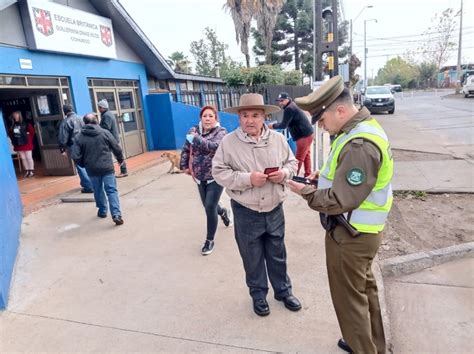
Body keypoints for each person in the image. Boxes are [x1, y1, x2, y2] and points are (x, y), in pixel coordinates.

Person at [288, 75, 393, 354]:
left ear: (341, 111)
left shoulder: (359, 144)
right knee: (364, 293)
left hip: (350, 234)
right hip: (360, 232)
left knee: (350, 300)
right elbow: (344, 176)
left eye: (322, 120)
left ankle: (363, 347)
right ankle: (372, 345)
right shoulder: (359, 130)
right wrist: (319, 177)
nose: (321, 127)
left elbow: (340, 199)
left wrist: (304, 192)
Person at [212, 93, 301, 317]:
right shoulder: (228, 142)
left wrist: (284, 173)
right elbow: (219, 172)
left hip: (274, 208)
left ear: (264, 116)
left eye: (255, 115)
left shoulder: (278, 140)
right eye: (245, 115)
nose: (250, 120)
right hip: (246, 210)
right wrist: (247, 179)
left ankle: (283, 291)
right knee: (251, 256)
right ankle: (258, 295)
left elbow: (293, 162)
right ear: (239, 117)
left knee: (277, 252)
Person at [180, 105, 231, 255]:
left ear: (216, 118)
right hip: (199, 175)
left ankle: (209, 240)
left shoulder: (221, 132)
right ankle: (222, 212)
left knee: (209, 207)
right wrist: (184, 165)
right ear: (200, 118)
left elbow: (214, 146)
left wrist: (195, 139)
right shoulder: (193, 130)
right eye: (204, 116)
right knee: (210, 206)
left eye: (210, 116)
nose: (207, 119)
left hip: (216, 175)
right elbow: (186, 149)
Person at [72, 113, 125, 226]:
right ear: (96, 121)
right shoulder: (105, 133)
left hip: (91, 169)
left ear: (84, 123)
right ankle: (116, 214)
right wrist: (120, 160)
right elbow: (116, 147)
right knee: (111, 190)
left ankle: (102, 211)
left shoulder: (79, 137)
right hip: (107, 167)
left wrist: (84, 164)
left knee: (98, 190)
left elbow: (75, 155)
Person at [268, 92, 314, 177]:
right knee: (306, 155)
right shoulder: (292, 105)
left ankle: (294, 176)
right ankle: (308, 174)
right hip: (308, 134)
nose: (280, 103)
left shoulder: (289, 109)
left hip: (303, 136)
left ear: (288, 99)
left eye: (282, 101)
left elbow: (283, 125)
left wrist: (272, 126)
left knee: (299, 158)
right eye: (279, 101)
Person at [58, 104, 93, 193]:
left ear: (65, 112)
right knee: (88, 163)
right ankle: (89, 183)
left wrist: (62, 149)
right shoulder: (82, 118)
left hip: (74, 145)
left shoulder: (66, 122)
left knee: (80, 166)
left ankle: (88, 186)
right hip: (86, 143)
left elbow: (63, 137)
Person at [97, 99, 128, 178]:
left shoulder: (106, 115)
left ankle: (123, 171)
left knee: (117, 155)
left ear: (103, 108)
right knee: (117, 155)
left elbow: (106, 127)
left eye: (99, 107)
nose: (98, 109)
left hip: (111, 139)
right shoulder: (108, 114)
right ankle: (122, 170)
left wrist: (98, 128)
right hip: (112, 139)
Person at [8, 111, 35, 178]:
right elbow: (11, 134)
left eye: (16, 115)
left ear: (19, 115)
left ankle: (31, 170)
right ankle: (27, 171)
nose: (15, 116)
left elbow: (32, 132)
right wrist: (14, 141)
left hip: (27, 143)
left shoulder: (26, 124)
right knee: (23, 158)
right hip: (18, 144)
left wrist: (29, 139)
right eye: (14, 115)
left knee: (29, 157)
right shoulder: (12, 125)